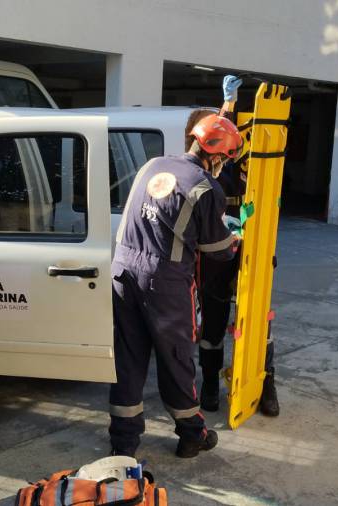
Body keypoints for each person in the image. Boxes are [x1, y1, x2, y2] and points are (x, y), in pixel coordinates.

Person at [108, 113, 242, 459]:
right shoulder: (205, 187)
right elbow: (218, 251)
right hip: (164, 282)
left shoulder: (152, 165)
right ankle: (191, 433)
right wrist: (234, 238)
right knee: (177, 356)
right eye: (224, 160)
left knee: (128, 356)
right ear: (216, 156)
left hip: (122, 270)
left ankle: (124, 444)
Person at [192, 75, 279, 416]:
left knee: (260, 323)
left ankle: (265, 383)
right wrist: (228, 101)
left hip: (254, 247)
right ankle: (211, 383)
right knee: (213, 322)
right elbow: (223, 125)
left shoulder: (264, 163)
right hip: (216, 251)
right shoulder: (213, 163)